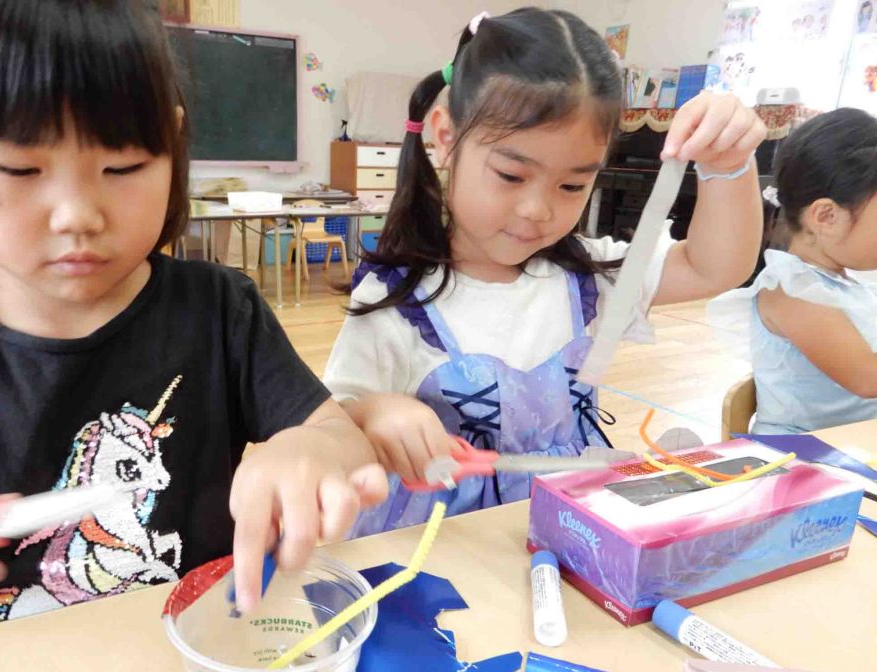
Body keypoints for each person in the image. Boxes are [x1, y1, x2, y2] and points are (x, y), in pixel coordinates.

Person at [0, 0, 385, 637]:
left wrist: (313, 449)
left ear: (172, 143)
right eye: (21, 168)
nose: (78, 214)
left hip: (184, 664)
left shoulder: (219, 310)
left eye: (123, 166)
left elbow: (338, 437)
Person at [324, 7, 765, 536]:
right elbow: (332, 422)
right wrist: (374, 412)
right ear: (445, 137)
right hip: (444, 542)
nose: (537, 209)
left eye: (572, 186)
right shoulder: (397, 298)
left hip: (573, 529)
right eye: (511, 175)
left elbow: (713, 267)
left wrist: (729, 165)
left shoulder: (590, 276)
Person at [711, 108, 877, 435]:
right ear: (826, 217)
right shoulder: (792, 289)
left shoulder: (853, 281)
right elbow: (867, 378)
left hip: (853, 443)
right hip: (801, 454)